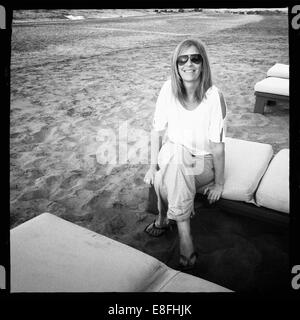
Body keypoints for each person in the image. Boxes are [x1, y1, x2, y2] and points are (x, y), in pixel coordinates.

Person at [143, 39, 227, 271]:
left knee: (166, 174)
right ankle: (185, 237)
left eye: (195, 58)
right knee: (175, 156)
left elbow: (217, 146)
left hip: (203, 161)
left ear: (203, 64)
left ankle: (162, 219)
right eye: (183, 59)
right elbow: (157, 132)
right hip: (172, 151)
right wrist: (151, 166)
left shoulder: (213, 96)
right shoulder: (167, 89)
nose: (188, 64)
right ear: (176, 65)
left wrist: (219, 182)